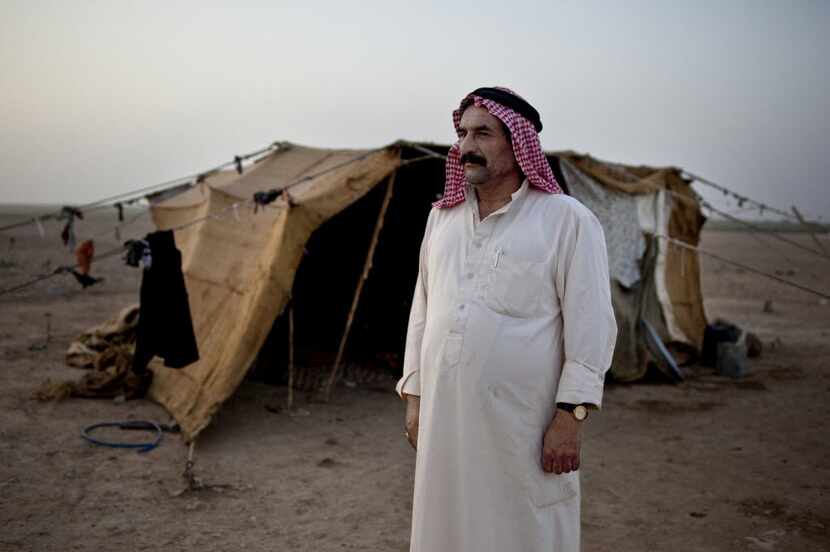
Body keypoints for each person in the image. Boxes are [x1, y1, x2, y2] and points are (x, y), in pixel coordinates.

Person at [396, 87, 617, 552]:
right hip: (445, 420)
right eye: (461, 133)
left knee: (521, 531)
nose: (466, 145)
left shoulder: (567, 220)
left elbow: (592, 325)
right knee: (446, 528)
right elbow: (423, 309)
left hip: (523, 424)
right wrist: (414, 396)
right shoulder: (443, 219)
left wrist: (571, 416)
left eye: (482, 133)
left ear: (519, 144)